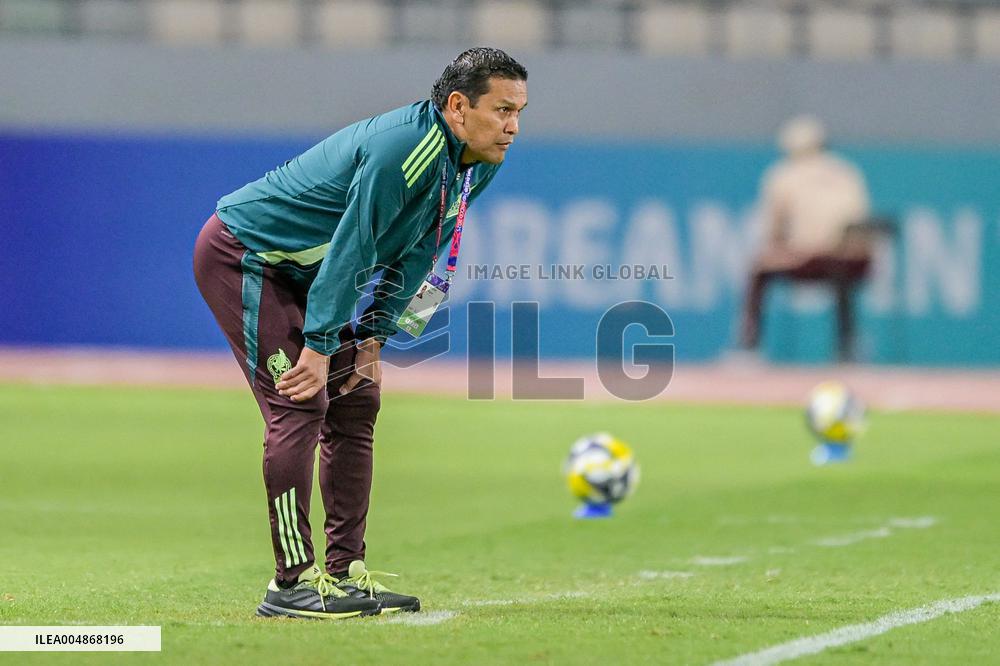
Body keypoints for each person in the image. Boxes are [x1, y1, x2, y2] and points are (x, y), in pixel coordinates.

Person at [192, 47, 528, 619]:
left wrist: (375, 336)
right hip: (248, 256)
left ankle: (344, 572)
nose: (513, 127)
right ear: (456, 106)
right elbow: (354, 250)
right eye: (502, 110)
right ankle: (291, 584)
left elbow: (423, 246)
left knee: (357, 400)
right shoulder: (404, 152)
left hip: (309, 272)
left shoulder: (478, 158)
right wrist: (322, 347)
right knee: (299, 404)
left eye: (519, 111)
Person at [739, 116, 872, 362]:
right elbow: (861, 218)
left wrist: (781, 249)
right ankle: (848, 344)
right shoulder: (846, 171)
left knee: (758, 268)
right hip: (855, 260)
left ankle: (748, 346)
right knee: (839, 272)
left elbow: (772, 230)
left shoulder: (782, 175)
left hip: (810, 259)